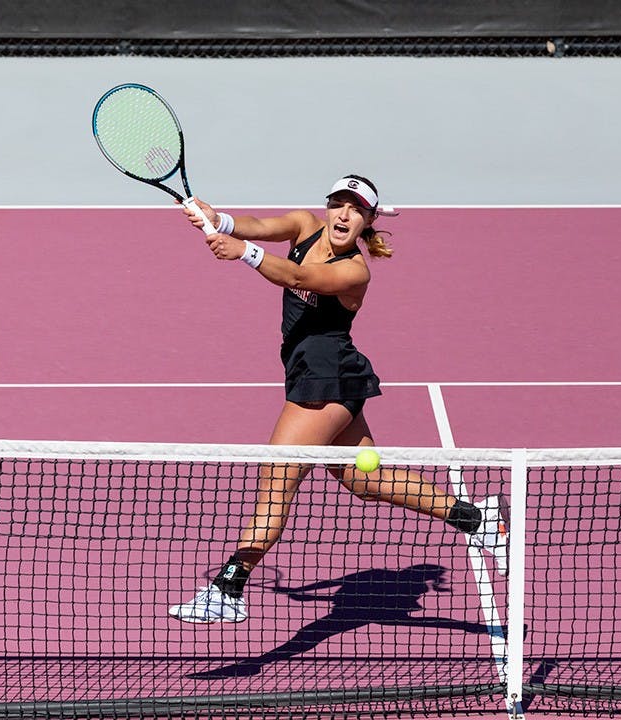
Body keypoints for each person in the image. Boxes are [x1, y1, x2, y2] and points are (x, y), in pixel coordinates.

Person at [167, 175, 509, 624]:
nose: (344, 215)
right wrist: (220, 220)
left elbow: (298, 276)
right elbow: (257, 226)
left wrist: (244, 253)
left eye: (356, 209)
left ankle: (227, 589)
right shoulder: (303, 225)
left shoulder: (354, 271)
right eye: (338, 204)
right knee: (366, 481)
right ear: (327, 208)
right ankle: (478, 520)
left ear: (367, 220)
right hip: (325, 376)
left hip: (324, 383)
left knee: (276, 481)